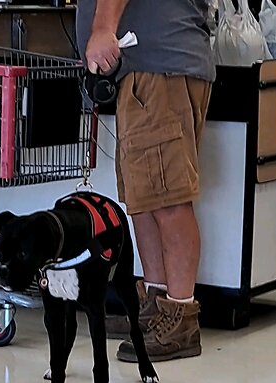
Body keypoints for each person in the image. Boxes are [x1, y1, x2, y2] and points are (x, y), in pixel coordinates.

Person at [77, 0, 216, 362]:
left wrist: (103, 27)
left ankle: (181, 315)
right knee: (145, 197)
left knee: (169, 198)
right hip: (146, 66)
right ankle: (157, 303)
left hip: (157, 63)